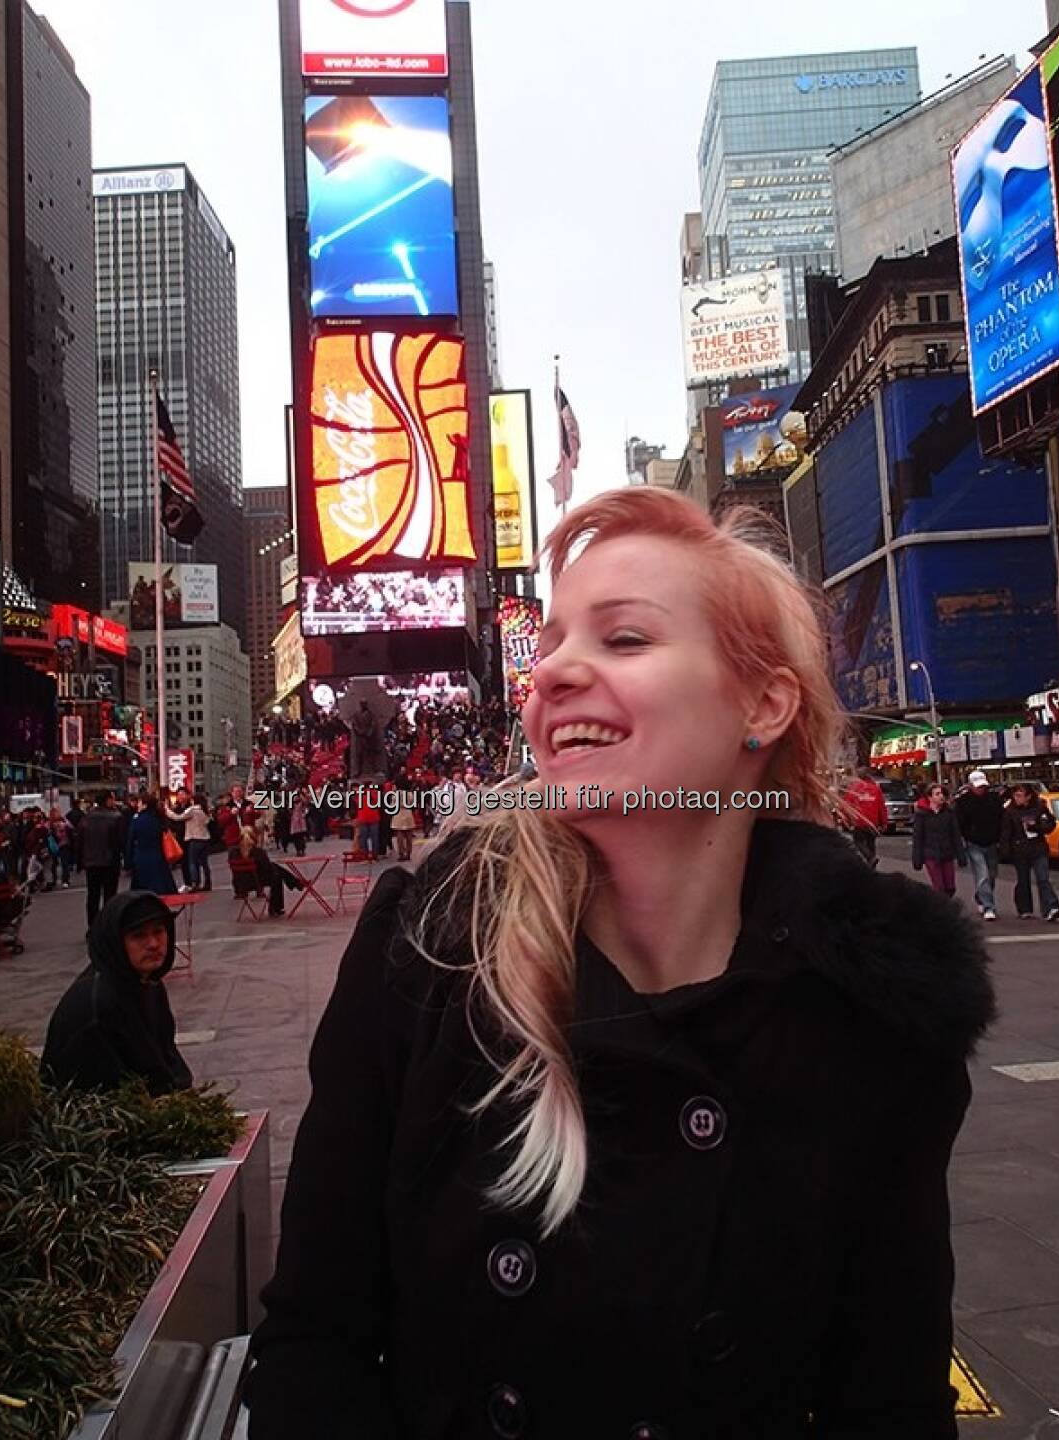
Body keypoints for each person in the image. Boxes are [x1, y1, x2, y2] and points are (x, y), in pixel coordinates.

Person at [247, 490, 996, 1439]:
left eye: (625, 639)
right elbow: (315, 1341)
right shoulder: (427, 954)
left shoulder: (873, 1016)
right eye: (552, 643)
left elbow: (888, 1402)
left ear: (762, 703)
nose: (552, 672)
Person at [40, 890, 192, 1095]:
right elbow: (107, 1091)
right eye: (139, 936)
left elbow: (165, 1058)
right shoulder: (98, 1003)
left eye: (158, 931)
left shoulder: (146, 983)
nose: (153, 944)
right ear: (116, 943)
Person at [1000, 784, 1059, 922]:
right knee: (1023, 879)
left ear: (1028, 796)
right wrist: (1005, 850)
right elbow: (1006, 832)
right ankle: (1024, 908)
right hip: (1020, 849)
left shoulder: (1039, 808)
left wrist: (1036, 826)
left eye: (1020, 795)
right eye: (1015, 795)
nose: (1017, 798)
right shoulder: (1010, 811)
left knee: (1043, 878)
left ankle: (1051, 907)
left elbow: (1050, 824)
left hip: (1037, 848)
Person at [955, 770, 1004, 921]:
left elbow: (1002, 819)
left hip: (992, 842)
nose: (981, 789)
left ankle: (981, 896)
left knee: (991, 874)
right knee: (982, 874)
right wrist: (962, 839)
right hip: (973, 842)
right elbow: (959, 823)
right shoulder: (963, 802)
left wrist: (1001, 838)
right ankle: (989, 906)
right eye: (978, 786)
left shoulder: (994, 799)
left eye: (983, 786)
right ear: (970, 786)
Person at [229, 826, 304, 919]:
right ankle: (292, 886)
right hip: (256, 883)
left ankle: (294, 883)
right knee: (276, 875)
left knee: (275, 869)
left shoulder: (233, 853)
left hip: (241, 884)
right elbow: (267, 869)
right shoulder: (258, 852)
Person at [78, 791, 123, 929]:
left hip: (91, 862)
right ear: (108, 800)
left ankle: (93, 926)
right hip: (110, 862)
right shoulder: (116, 817)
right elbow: (120, 842)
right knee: (110, 895)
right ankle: (109, 925)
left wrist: (81, 861)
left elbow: (79, 841)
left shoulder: (86, 818)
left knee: (93, 895)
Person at [912, 784, 967, 897]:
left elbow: (955, 835)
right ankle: (942, 909)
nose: (941, 796)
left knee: (950, 886)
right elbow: (918, 838)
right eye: (937, 794)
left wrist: (961, 855)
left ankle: (946, 903)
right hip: (931, 855)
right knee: (939, 887)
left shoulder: (949, 813)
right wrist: (917, 859)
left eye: (942, 794)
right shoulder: (922, 815)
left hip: (947, 853)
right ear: (930, 797)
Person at [125, 794, 176, 896]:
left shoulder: (137, 820)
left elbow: (130, 841)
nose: (137, 805)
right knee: (161, 890)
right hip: (158, 857)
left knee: (141, 893)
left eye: (139, 803)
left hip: (141, 858)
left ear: (145, 805)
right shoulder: (159, 819)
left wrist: (128, 862)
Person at [839, 767, 888, 867]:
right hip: (873, 822)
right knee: (871, 843)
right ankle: (872, 864)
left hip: (859, 821)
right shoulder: (875, 789)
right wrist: (884, 822)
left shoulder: (854, 789)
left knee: (859, 842)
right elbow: (881, 807)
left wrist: (847, 820)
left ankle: (870, 859)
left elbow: (846, 806)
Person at [166, 791, 212, 892]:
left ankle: (195, 883)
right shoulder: (204, 810)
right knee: (204, 863)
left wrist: (167, 811)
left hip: (194, 838)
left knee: (192, 862)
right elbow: (208, 822)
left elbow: (178, 817)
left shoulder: (192, 810)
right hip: (205, 838)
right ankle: (208, 882)